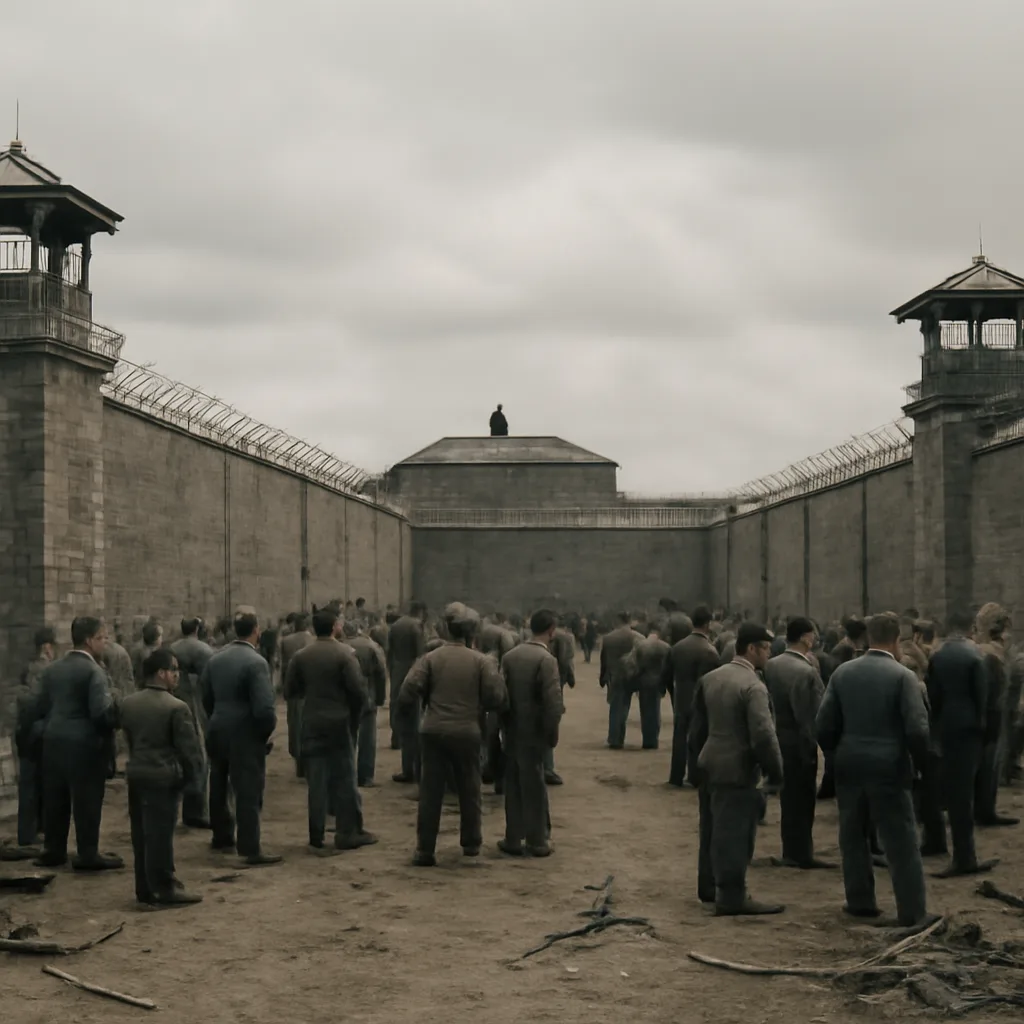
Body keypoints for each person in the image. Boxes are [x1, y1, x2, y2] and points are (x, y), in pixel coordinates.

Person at [816, 612, 937, 928]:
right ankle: (912, 911)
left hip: (849, 764)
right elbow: (917, 730)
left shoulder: (843, 673)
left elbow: (824, 725)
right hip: (890, 766)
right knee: (900, 839)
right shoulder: (903, 677)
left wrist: (838, 752)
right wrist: (922, 765)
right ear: (897, 640)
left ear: (868, 637)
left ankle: (859, 902)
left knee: (853, 834)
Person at [398, 603, 507, 866]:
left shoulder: (430, 658)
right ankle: (470, 844)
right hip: (466, 730)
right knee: (470, 788)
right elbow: (496, 697)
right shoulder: (482, 662)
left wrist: (425, 704)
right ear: (472, 635)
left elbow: (407, 691)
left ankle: (425, 849)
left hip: (433, 729)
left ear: (448, 630)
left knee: (430, 791)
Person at [689, 622, 783, 916]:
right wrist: (775, 771)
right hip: (737, 767)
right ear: (751, 649)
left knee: (711, 827)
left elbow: (696, 729)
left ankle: (708, 886)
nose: (768, 654)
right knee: (735, 832)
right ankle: (731, 896)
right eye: (765, 649)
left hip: (709, 761)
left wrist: (695, 763)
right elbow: (763, 735)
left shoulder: (711, 678)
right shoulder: (753, 686)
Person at [31, 617, 123, 871]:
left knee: (55, 799)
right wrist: (117, 715)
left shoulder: (52, 669)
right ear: (89, 640)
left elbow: (39, 707)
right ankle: (87, 853)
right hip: (85, 747)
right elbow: (100, 713)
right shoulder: (94, 672)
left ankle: (53, 850)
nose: (105, 643)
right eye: (103, 638)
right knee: (87, 801)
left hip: (53, 742)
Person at [286, 610, 375, 854]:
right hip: (339, 722)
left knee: (316, 781)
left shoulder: (301, 656)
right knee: (345, 777)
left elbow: (291, 689)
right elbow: (358, 692)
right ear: (335, 626)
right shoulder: (345, 655)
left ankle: (316, 836)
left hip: (312, 721)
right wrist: (353, 717)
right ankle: (349, 832)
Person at [121, 647, 205, 906]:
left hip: (136, 774)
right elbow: (189, 751)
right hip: (164, 777)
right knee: (160, 834)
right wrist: (195, 781)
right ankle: (164, 887)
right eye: (174, 670)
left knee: (141, 834)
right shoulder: (176, 707)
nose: (177, 675)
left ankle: (144, 887)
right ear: (161, 673)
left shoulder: (128, 703)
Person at [201, 611, 281, 866]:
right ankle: (249, 848)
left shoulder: (215, 659)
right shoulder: (256, 662)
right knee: (248, 789)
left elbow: (206, 697)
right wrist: (263, 733)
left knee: (219, 782)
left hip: (218, 726)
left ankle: (222, 835)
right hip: (244, 732)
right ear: (256, 630)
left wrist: (218, 717)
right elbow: (264, 708)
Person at [925, 610, 998, 877]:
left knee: (956, 793)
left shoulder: (939, 655)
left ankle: (960, 855)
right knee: (964, 793)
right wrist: (983, 727)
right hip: (970, 729)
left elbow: (933, 697)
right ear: (970, 629)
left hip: (948, 728)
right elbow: (983, 695)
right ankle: (965, 856)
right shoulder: (976, 655)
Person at [763, 617, 830, 869]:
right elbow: (811, 715)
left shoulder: (771, 665)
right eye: (813, 634)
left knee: (787, 798)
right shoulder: (806, 671)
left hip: (778, 738)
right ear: (805, 637)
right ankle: (802, 852)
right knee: (804, 799)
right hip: (800, 743)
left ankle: (790, 849)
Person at [498, 610, 563, 857]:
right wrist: (551, 733)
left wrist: (502, 726)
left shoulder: (510, 656)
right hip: (534, 732)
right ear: (551, 629)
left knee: (513, 783)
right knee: (534, 784)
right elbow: (553, 702)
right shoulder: (546, 660)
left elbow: (500, 695)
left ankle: (513, 837)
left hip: (512, 729)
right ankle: (537, 840)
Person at [663, 606, 721, 787]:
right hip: (701, 702)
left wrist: (674, 695)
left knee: (679, 738)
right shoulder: (710, 651)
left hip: (681, 699)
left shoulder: (677, 648)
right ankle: (695, 777)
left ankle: (675, 776)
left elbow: (666, 676)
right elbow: (713, 682)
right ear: (707, 624)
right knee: (698, 739)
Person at [11, 627, 55, 850]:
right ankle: (30, 833)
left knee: (31, 784)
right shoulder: (45, 670)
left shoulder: (27, 668)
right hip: (36, 733)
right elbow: (40, 703)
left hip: (25, 732)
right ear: (47, 647)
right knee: (36, 784)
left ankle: (31, 830)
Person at [169, 617, 215, 828]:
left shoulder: (172, 647)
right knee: (198, 757)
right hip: (192, 704)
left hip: (170, 701)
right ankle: (195, 811)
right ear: (197, 629)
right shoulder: (202, 649)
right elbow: (209, 681)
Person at [342, 620, 388, 787]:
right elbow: (381, 674)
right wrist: (380, 697)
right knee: (368, 738)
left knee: (348, 736)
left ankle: (347, 774)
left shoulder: (341, 646)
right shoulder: (372, 646)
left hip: (346, 696)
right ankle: (366, 776)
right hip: (368, 693)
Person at [388, 601, 427, 782]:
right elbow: (421, 656)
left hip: (397, 673)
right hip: (413, 675)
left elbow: (389, 653)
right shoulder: (416, 627)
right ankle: (414, 770)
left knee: (400, 717)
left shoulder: (396, 625)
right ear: (420, 612)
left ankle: (405, 764)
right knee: (415, 724)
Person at [600, 612, 644, 749]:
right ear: (629, 620)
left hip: (615, 676)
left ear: (618, 620)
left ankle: (615, 738)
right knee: (625, 707)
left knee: (616, 708)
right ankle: (620, 736)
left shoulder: (608, 638)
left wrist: (602, 676)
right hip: (632, 675)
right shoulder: (638, 638)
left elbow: (604, 660)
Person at [623, 626, 670, 750]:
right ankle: (654, 739)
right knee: (655, 711)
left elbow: (633, 664)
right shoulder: (665, 647)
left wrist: (633, 679)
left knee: (645, 711)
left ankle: (647, 740)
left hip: (644, 682)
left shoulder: (640, 646)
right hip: (658, 681)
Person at [280, 613, 314, 778]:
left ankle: (299, 763)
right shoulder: (314, 641)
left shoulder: (286, 641)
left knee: (295, 726)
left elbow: (283, 668)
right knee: (310, 726)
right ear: (308, 626)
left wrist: (285, 690)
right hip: (312, 691)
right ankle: (309, 763)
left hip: (294, 690)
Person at [543, 621, 576, 785]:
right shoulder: (565, 638)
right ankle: (547, 768)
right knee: (549, 724)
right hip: (554, 682)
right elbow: (565, 660)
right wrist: (570, 677)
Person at [132, 620, 163, 688]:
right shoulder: (150, 655)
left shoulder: (137, 647)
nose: (162, 638)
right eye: (160, 635)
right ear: (155, 638)